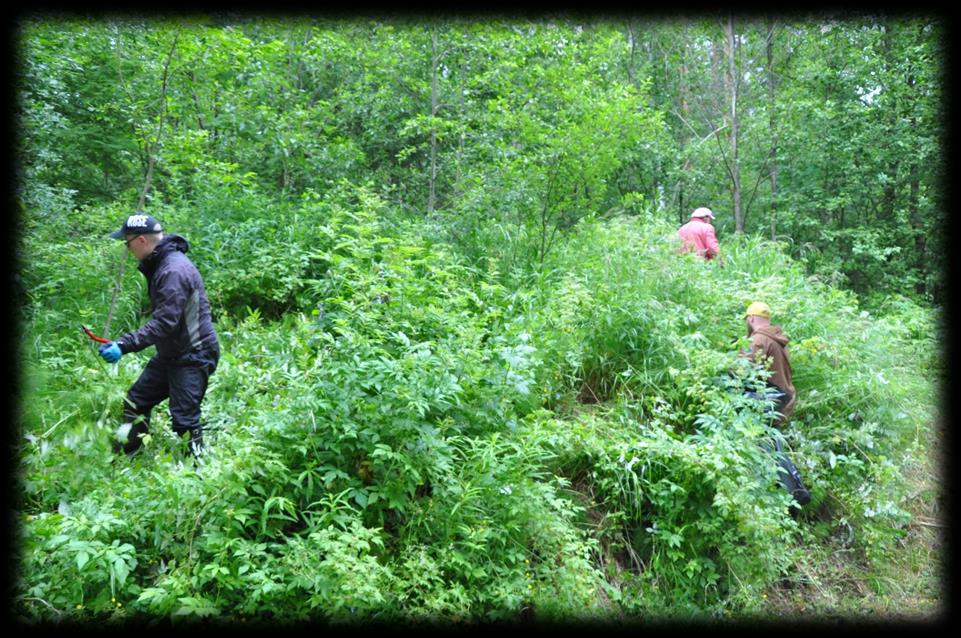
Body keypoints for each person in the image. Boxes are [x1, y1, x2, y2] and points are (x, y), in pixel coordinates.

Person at [98, 213, 220, 458]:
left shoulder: (173, 270)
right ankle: (130, 456)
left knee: (185, 421)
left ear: (141, 240)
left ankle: (199, 473)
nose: (127, 248)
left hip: (193, 353)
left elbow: (164, 323)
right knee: (136, 401)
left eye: (127, 242)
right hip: (173, 352)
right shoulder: (163, 264)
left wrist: (124, 344)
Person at [739, 301, 810, 507]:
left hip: (766, 400)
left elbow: (743, 368)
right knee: (772, 445)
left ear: (751, 319)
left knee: (768, 448)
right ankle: (790, 494)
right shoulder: (778, 340)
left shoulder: (759, 339)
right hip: (781, 399)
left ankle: (794, 490)